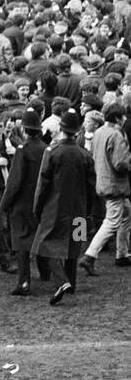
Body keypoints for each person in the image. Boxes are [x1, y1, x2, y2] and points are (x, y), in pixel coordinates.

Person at [32, 109, 97, 306]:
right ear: (77, 131)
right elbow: (91, 186)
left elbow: (42, 185)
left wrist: (38, 208)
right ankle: (71, 283)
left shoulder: (52, 153)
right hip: (80, 208)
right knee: (75, 246)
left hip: (55, 209)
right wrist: (89, 211)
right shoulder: (84, 155)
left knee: (44, 244)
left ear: (61, 129)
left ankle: (61, 282)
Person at [80, 104, 131, 274]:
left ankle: (122, 254)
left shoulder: (100, 132)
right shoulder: (116, 135)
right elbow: (121, 163)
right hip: (115, 185)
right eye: (122, 117)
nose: (124, 120)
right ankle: (89, 256)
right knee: (111, 222)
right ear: (117, 118)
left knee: (127, 213)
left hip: (102, 181)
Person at [0, 110, 47, 295]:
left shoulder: (22, 150)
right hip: (40, 201)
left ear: (24, 129)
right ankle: (46, 272)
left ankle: (24, 282)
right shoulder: (46, 149)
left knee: (22, 243)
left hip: (22, 203)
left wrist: (4, 204)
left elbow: (14, 181)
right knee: (40, 237)